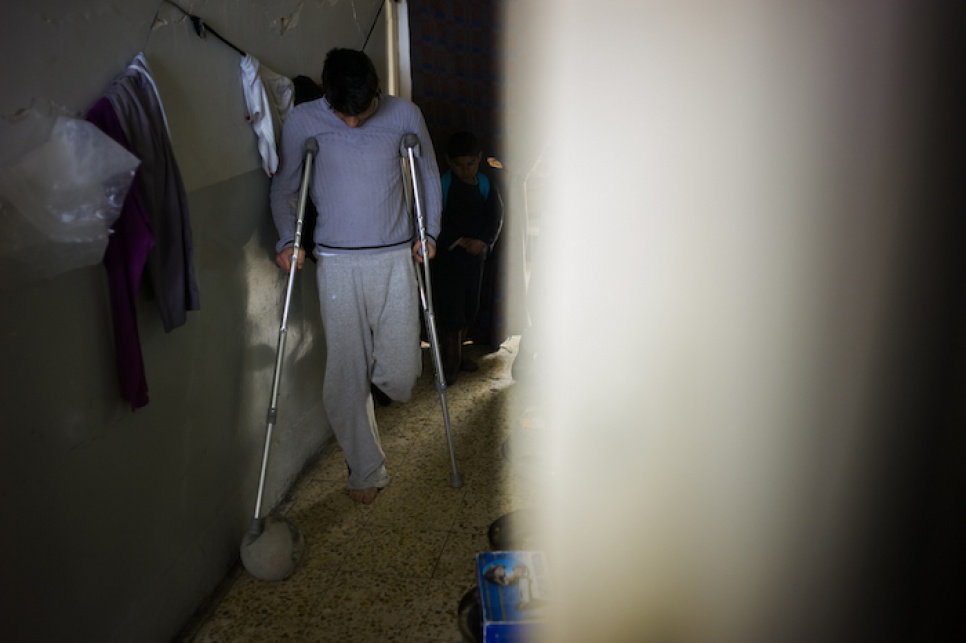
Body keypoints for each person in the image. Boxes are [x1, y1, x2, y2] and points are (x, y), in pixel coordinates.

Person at [269, 48, 442, 505]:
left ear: (377, 93)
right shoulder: (304, 122)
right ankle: (366, 468)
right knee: (345, 376)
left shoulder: (405, 115)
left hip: (393, 258)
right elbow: (286, 189)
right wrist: (289, 240)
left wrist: (431, 232)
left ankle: (370, 382)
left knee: (403, 377)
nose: (351, 123)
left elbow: (427, 175)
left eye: (361, 112)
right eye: (342, 113)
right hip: (336, 263)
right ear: (327, 96)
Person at [432, 131, 504, 384]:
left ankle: (459, 355)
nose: (466, 170)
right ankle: (450, 363)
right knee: (451, 311)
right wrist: (459, 240)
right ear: (449, 162)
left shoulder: (485, 185)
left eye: (471, 164)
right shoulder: (442, 184)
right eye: (459, 165)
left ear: (479, 159)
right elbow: (434, 218)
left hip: (475, 259)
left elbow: (495, 217)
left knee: (469, 308)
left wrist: (483, 241)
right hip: (447, 259)